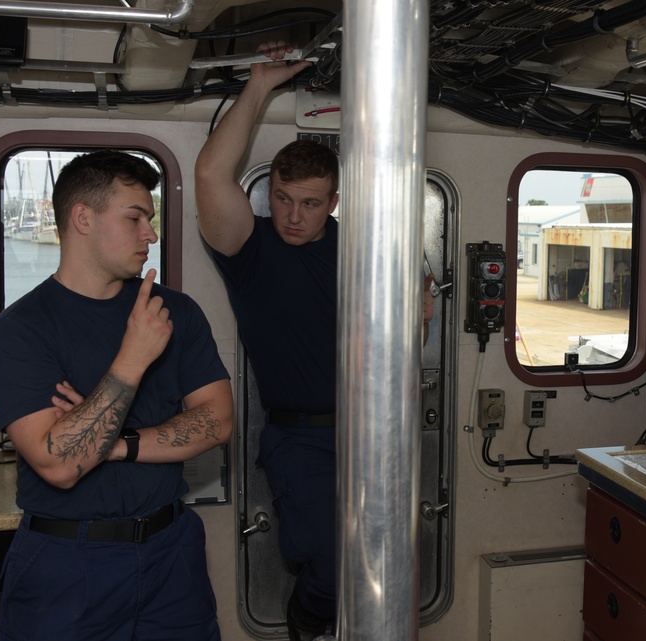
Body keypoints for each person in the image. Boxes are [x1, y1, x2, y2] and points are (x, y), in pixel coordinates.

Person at [195, 42, 433, 640]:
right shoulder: (249, 252)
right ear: (268, 192)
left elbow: (401, 338)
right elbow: (208, 174)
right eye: (281, 198)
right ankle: (307, 623)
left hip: (375, 430)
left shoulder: (362, 252)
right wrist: (259, 86)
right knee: (327, 557)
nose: (292, 215)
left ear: (333, 202)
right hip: (298, 437)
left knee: (386, 560)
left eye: (308, 203)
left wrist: (419, 310)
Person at [0, 150, 234, 641]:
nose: (151, 233)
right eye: (135, 217)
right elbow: (60, 464)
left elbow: (217, 421)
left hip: (172, 554)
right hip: (67, 562)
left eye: (150, 217)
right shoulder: (20, 330)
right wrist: (133, 357)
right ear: (83, 218)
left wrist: (114, 442)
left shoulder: (176, 312)